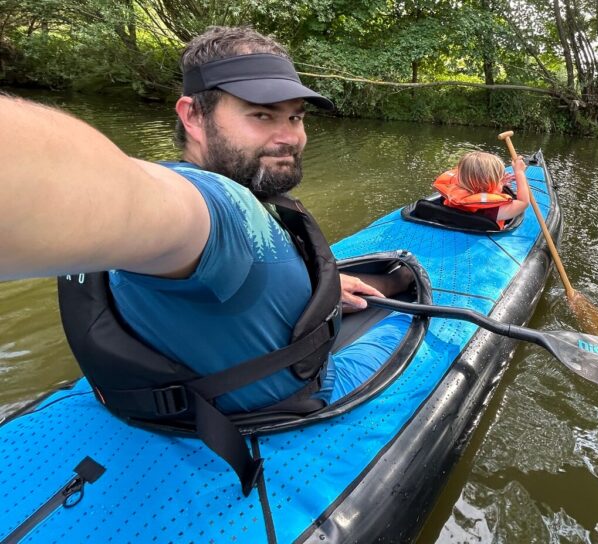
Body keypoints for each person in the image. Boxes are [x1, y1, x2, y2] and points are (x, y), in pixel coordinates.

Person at [0, 26, 411, 494]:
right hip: (287, 407)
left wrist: (325, 283)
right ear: (193, 115)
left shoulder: (224, 212)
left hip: (171, 402)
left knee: (371, 285)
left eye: (296, 117)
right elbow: (105, 193)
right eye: (261, 114)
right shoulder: (203, 206)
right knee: (413, 302)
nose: (289, 137)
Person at [432, 150, 532, 228]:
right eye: (499, 178)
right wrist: (519, 172)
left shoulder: (451, 196)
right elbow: (523, 202)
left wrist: (500, 184)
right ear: (489, 183)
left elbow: (480, 191)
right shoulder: (494, 209)